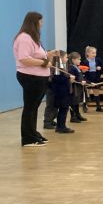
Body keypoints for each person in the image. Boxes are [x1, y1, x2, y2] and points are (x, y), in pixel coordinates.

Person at [13, 11, 57, 147]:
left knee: (34, 108)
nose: (42, 24)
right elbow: (24, 58)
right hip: (30, 77)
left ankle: (33, 133)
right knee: (30, 108)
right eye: (41, 21)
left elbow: (36, 55)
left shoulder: (33, 38)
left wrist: (48, 54)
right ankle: (28, 138)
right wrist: (44, 63)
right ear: (34, 22)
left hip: (39, 78)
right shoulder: (24, 38)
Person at [49, 52, 74, 134]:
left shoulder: (61, 67)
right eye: (66, 57)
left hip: (63, 92)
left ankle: (60, 126)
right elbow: (58, 80)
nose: (67, 59)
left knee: (63, 109)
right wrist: (69, 79)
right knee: (63, 109)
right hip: (61, 92)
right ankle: (61, 127)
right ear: (61, 58)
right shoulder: (57, 68)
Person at [81, 46, 103, 112]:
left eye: (95, 53)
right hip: (88, 78)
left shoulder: (98, 60)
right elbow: (82, 70)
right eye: (93, 53)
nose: (94, 54)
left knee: (96, 92)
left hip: (96, 78)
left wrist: (100, 68)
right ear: (88, 53)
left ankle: (98, 107)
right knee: (87, 93)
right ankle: (85, 106)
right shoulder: (84, 61)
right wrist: (84, 71)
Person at [68, 52, 87, 123]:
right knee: (73, 102)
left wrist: (88, 82)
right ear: (73, 60)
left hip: (78, 87)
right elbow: (72, 79)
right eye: (78, 59)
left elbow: (80, 77)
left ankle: (78, 115)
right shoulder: (71, 68)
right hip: (74, 87)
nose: (80, 61)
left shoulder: (76, 67)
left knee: (77, 102)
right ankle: (73, 117)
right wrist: (80, 82)